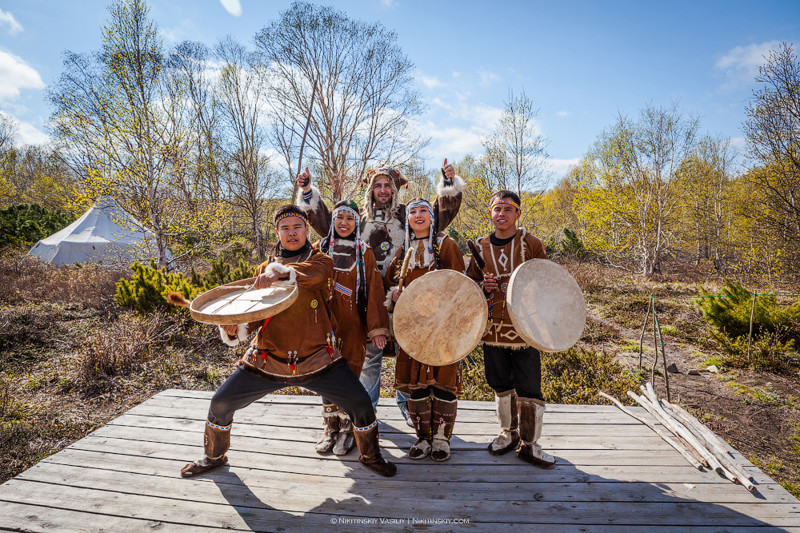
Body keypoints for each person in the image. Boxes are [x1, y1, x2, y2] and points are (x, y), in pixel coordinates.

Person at [180, 205, 396, 478]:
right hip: (268, 359)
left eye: (297, 227)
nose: (292, 233)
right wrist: (235, 328)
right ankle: (214, 456)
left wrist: (279, 272)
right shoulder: (263, 269)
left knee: (361, 405)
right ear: (277, 232)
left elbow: (315, 275)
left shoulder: (322, 260)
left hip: (318, 358)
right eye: (285, 228)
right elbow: (256, 314)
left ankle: (370, 455)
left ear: (307, 229)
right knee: (221, 403)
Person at [296, 163, 464, 421]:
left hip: (407, 296)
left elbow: (435, 217)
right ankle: (367, 412)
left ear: (395, 188)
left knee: (408, 351)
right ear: (371, 189)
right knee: (369, 358)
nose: (383, 190)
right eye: (378, 185)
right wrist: (307, 192)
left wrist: (449, 183)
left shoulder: (406, 217)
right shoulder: (358, 218)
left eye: (388, 185)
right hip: (366, 297)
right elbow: (329, 225)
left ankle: (409, 406)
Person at [465, 190, 555, 469]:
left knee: (529, 387)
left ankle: (530, 444)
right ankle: (508, 433)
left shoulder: (531, 243)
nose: (501, 213)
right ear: (490, 213)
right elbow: (468, 287)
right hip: (493, 329)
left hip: (526, 329)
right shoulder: (480, 247)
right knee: (500, 383)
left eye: (508, 208)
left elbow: (547, 280)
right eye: (497, 209)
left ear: (518, 213)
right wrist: (484, 286)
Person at [384, 198, 465, 462]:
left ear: (431, 217)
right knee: (415, 384)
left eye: (423, 211)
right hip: (414, 329)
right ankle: (422, 438)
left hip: (443, 327)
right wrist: (395, 296)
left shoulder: (445, 245)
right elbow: (392, 284)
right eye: (412, 212)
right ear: (407, 220)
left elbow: (459, 282)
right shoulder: (402, 251)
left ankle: (441, 438)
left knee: (443, 381)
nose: (418, 216)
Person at [311, 200, 390, 456]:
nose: (344, 223)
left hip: (353, 327)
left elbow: (376, 292)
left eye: (350, 218)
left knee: (350, 377)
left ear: (357, 223)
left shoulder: (364, 252)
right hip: (323, 327)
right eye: (340, 217)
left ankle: (348, 429)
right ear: (333, 220)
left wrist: (377, 328)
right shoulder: (319, 249)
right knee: (324, 377)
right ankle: (330, 427)